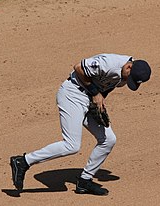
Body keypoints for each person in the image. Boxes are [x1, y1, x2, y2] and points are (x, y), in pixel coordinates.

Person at [10, 53, 151, 196]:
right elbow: (79, 68)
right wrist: (96, 94)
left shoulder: (125, 73)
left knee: (108, 140)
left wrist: (99, 104)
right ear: (128, 66)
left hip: (88, 99)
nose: (128, 81)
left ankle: (85, 181)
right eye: (130, 77)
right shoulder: (108, 63)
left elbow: (106, 87)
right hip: (72, 94)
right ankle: (23, 161)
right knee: (71, 145)